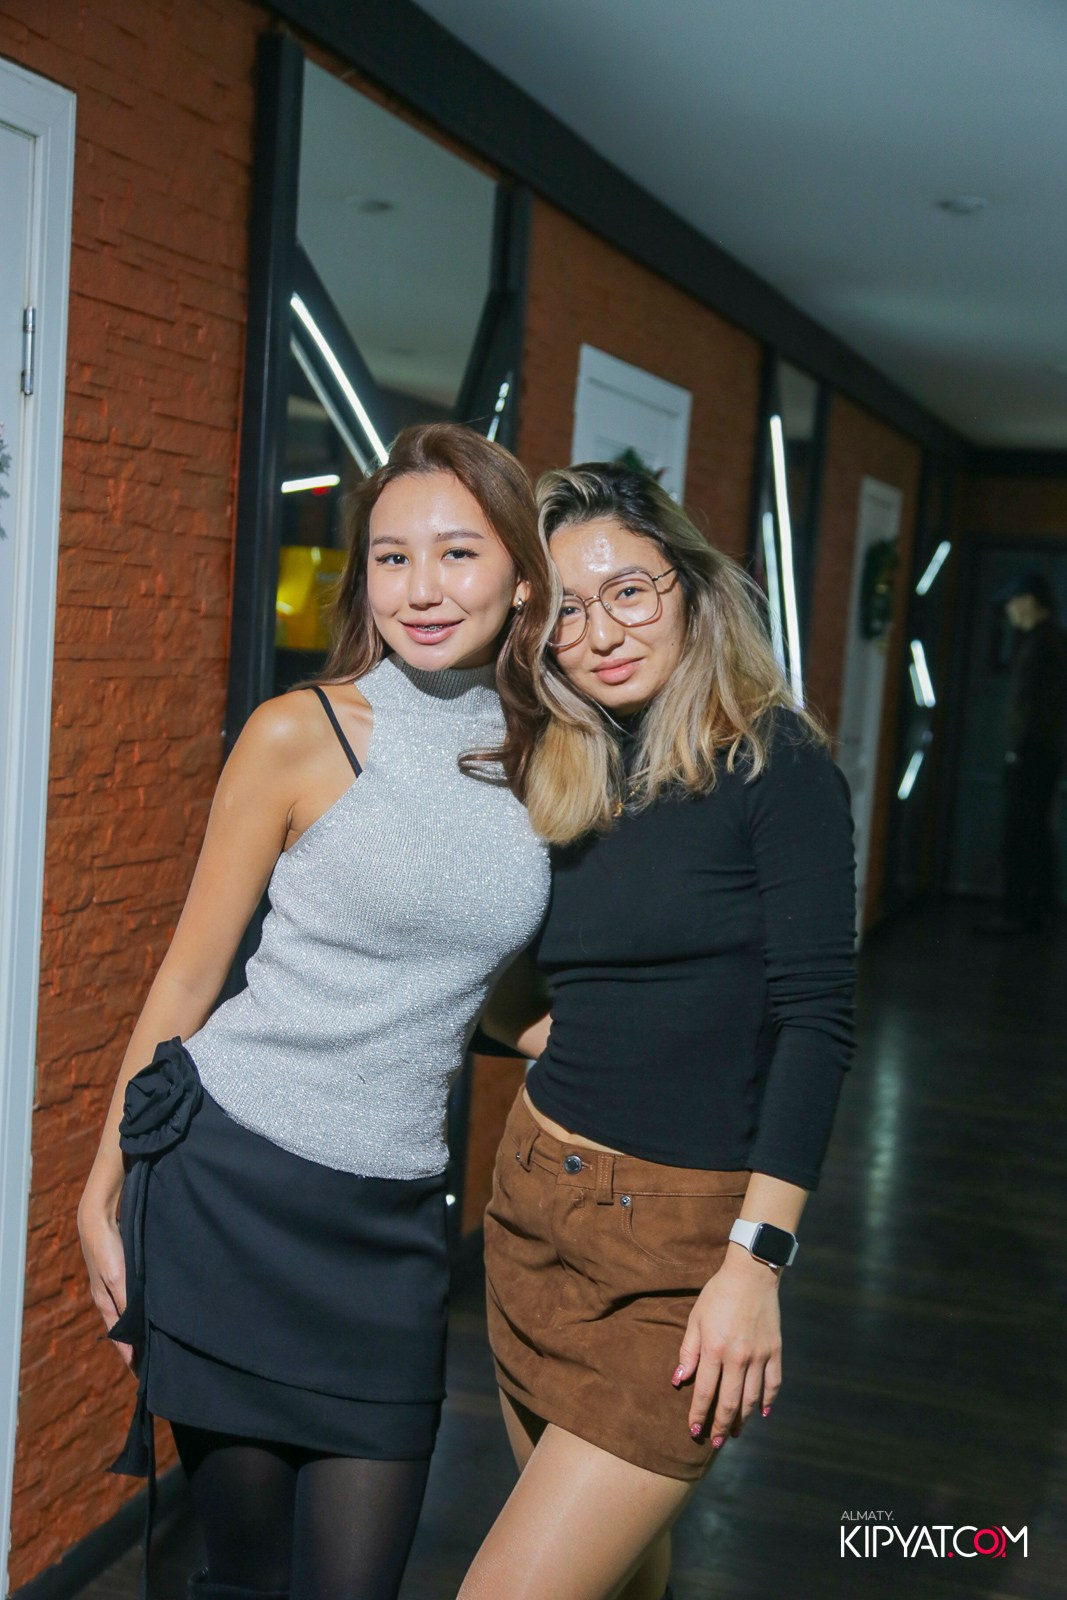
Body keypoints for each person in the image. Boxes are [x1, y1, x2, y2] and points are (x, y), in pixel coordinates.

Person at [77, 423, 553, 1600]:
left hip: (391, 1224)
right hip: (234, 1186)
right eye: (391, 557)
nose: (420, 587)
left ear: (520, 578)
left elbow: (478, 978)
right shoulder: (301, 730)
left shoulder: (551, 756)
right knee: (246, 1577)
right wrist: (99, 1191)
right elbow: (186, 981)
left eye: (456, 552)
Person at [462, 463, 857, 1600]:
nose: (600, 634)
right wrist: (543, 1035)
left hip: (676, 1252)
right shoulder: (565, 764)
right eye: (567, 611)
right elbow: (498, 962)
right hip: (532, 1209)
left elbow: (816, 1023)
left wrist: (754, 1263)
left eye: (628, 590)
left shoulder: (773, 763)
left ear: (689, 585)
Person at [979, 571, 1066, 934]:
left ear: (1029, 601)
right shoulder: (1043, 642)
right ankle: (1031, 911)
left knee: (1022, 833)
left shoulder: (1044, 645)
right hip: (1040, 752)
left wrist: (1021, 749)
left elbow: (1040, 707)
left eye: (1013, 603)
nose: (1009, 611)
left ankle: (1018, 912)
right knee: (1033, 832)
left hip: (1035, 752)